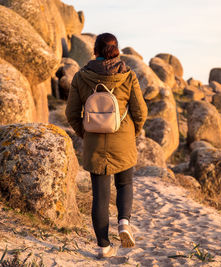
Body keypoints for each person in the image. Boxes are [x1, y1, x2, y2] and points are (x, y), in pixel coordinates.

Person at [65, 33, 148, 258]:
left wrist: (86, 134)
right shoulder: (128, 75)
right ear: (116, 50)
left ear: (96, 50)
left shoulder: (82, 76)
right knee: (124, 183)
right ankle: (123, 223)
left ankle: (103, 247)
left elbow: (71, 113)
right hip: (123, 138)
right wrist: (134, 131)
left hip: (95, 142)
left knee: (100, 196)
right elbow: (140, 111)